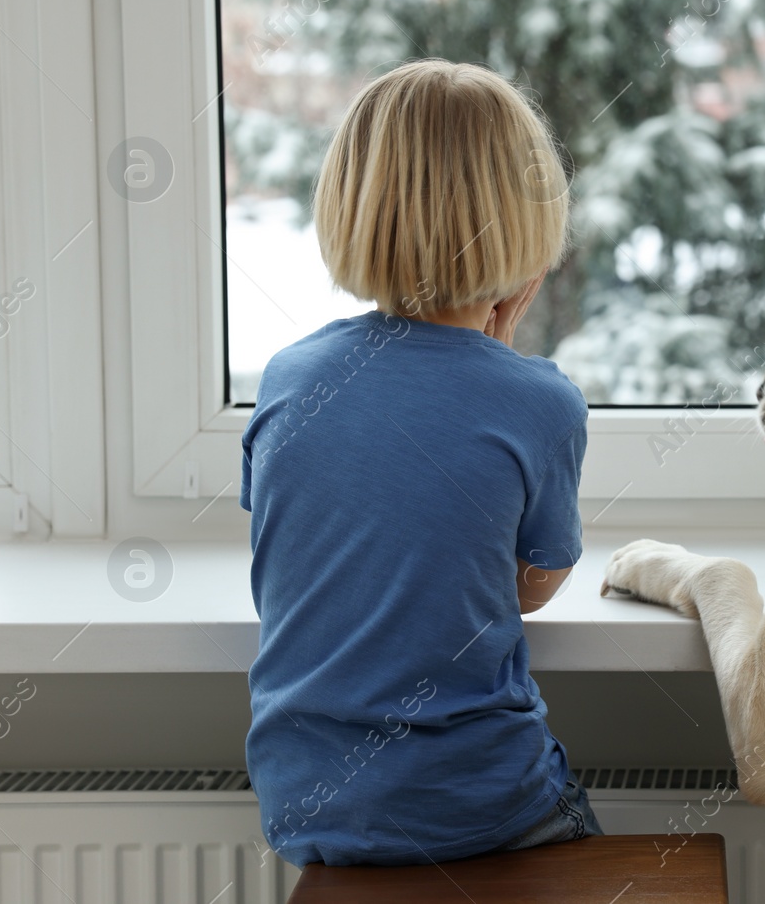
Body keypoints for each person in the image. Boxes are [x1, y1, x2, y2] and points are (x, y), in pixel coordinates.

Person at [239, 59, 603, 866]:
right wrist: (495, 366)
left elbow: (301, 544)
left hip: (306, 808)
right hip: (481, 810)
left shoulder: (290, 379)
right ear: (528, 229)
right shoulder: (539, 401)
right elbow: (529, 588)